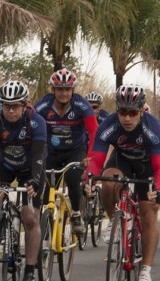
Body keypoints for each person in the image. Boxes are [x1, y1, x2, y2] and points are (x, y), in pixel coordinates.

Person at [84, 84, 160, 281]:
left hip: (147, 166)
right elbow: (96, 161)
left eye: (132, 113)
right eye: (122, 112)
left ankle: (145, 271)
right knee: (108, 182)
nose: (127, 118)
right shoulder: (109, 125)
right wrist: (89, 180)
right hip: (123, 160)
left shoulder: (153, 128)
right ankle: (115, 221)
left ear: (141, 111)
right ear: (117, 110)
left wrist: (157, 190)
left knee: (148, 212)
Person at [0, 80, 47, 281]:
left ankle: (30, 270)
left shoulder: (36, 122)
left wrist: (35, 180)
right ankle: (0, 220)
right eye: (6, 105)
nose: (10, 110)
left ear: (24, 105)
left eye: (15, 106)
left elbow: (39, 156)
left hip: (31, 169)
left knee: (30, 217)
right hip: (6, 164)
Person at [34, 68, 98, 235]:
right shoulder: (43, 105)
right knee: (48, 186)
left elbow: (94, 130)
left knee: (72, 177)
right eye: (60, 89)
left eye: (67, 89)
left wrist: (90, 156)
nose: (64, 93)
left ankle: (76, 214)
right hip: (51, 152)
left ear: (73, 90)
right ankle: (46, 221)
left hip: (75, 150)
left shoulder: (81, 105)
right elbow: (31, 124)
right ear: (53, 90)